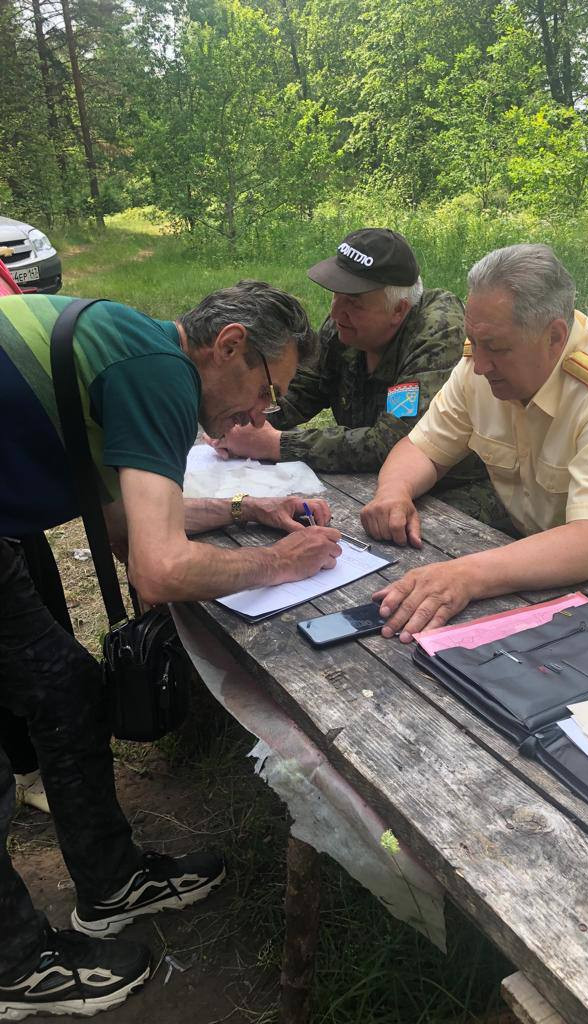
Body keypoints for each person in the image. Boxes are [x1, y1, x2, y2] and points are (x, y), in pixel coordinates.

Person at [0, 281, 342, 1019]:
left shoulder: (131, 348)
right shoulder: (160, 373)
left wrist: (251, 508)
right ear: (228, 346)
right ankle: (14, 966)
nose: (258, 416)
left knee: (63, 687)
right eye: (262, 390)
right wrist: (281, 564)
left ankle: (111, 882)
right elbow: (156, 570)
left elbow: (129, 517)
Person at [361, 244, 588, 642]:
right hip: (544, 544)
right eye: (474, 342)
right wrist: (394, 492)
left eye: (496, 348)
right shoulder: (480, 367)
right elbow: (421, 447)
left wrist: (463, 575)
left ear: (554, 336)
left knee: (523, 661)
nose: (479, 364)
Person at [206, 228, 508, 526]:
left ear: (398, 310)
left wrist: (277, 444)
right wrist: (245, 414)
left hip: (451, 489)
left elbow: (394, 440)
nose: (336, 312)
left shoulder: (439, 330)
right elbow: (304, 390)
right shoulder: (345, 327)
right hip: (373, 483)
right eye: (336, 296)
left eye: (354, 302)